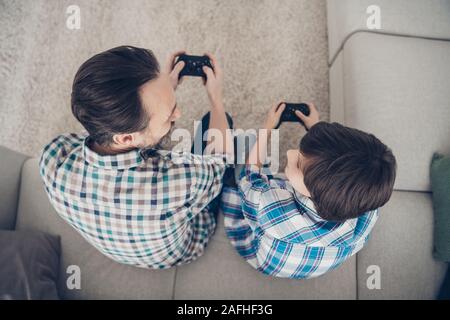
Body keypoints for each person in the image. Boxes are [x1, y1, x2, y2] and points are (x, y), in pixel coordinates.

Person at [39, 46, 233, 269]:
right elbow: (221, 160)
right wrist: (216, 98)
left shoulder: (53, 158)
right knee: (217, 121)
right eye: (169, 116)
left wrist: (162, 89)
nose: (177, 114)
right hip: (184, 249)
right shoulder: (185, 178)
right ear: (126, 139)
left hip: (120, 250)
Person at [221, 102, 396, 278]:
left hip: (262, 259)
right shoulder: (367, 207)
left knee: (244, 149)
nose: (289, 152)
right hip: (306, 266)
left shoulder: (267, 203)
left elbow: (251, 176)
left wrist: (267, 128)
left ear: (315, 192)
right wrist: (318, 131)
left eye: (298, 164)